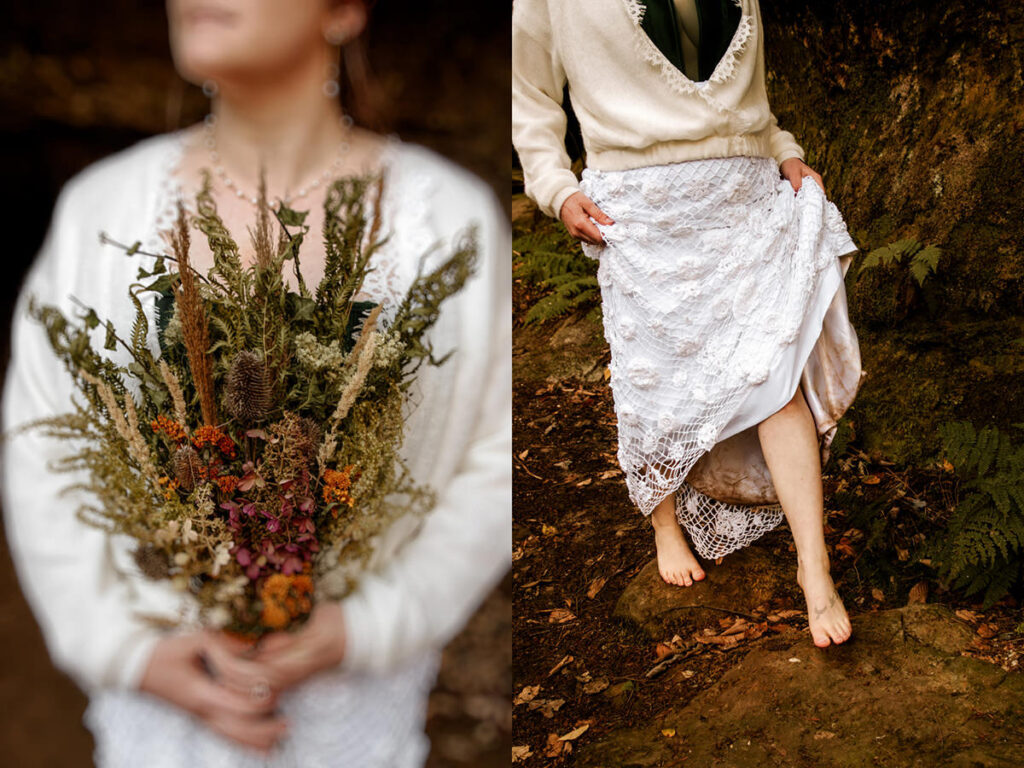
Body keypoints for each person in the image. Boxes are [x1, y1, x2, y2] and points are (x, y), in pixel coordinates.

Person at [1, 0, 511, 764]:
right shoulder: (101, 211)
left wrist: (374, 623)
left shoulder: (448, 225)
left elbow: (495, 451)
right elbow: (38, 441)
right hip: (162, 714)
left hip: (352, 708)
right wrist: (121, 649)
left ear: (342, 11)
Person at [512, 0, 864, 647]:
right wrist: (555, 188)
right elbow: (529, 99)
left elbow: (752, 101)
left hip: (743, 194)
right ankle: (665, 526)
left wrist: (784, 151)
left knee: (774, 376)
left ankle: (815, 568)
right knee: (656, 383)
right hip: (642, 211)